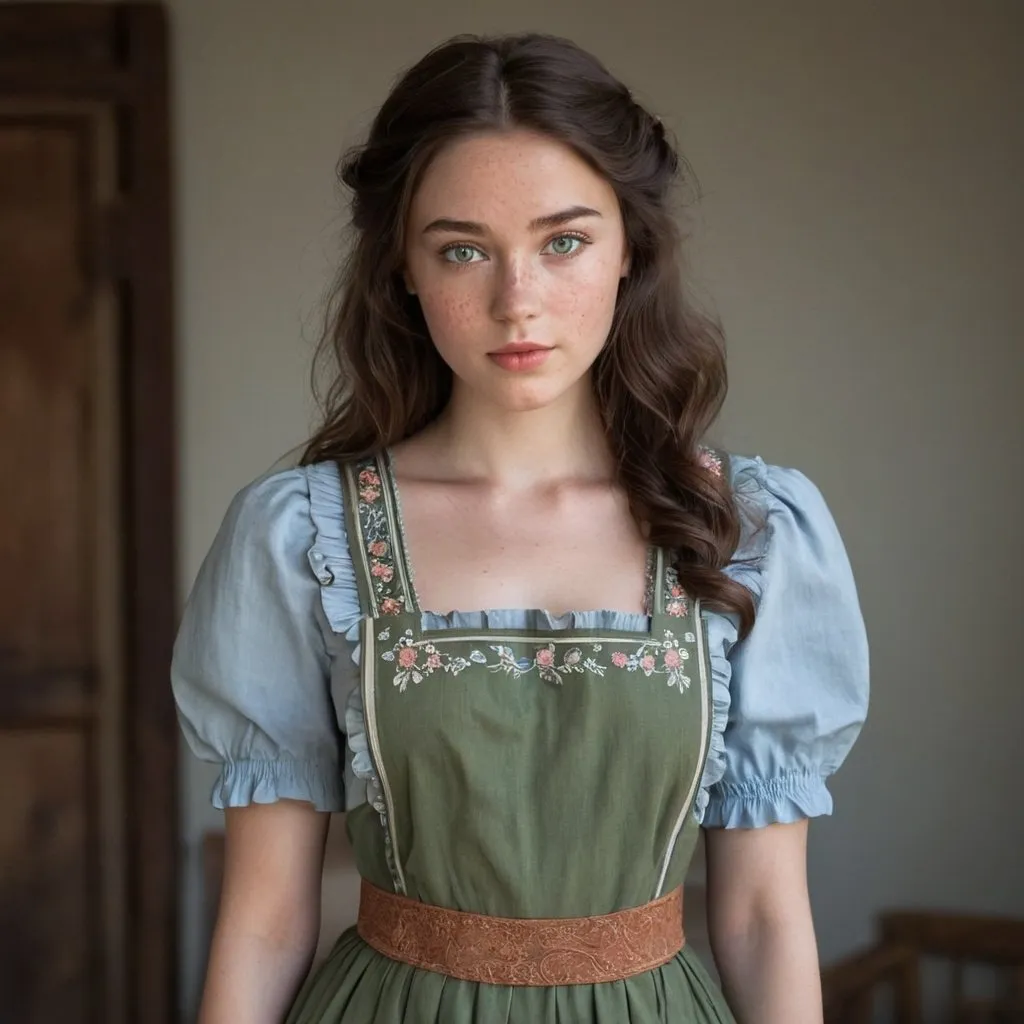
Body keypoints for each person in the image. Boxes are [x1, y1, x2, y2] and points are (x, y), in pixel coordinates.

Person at [171, 31, 869, 1024]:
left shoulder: (745, 528)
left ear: (630, 246)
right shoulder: (302, 537)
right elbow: (264, 922)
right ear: (402, 269)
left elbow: (761, 918)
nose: (516, 301)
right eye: (462, 248)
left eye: (564, 241)